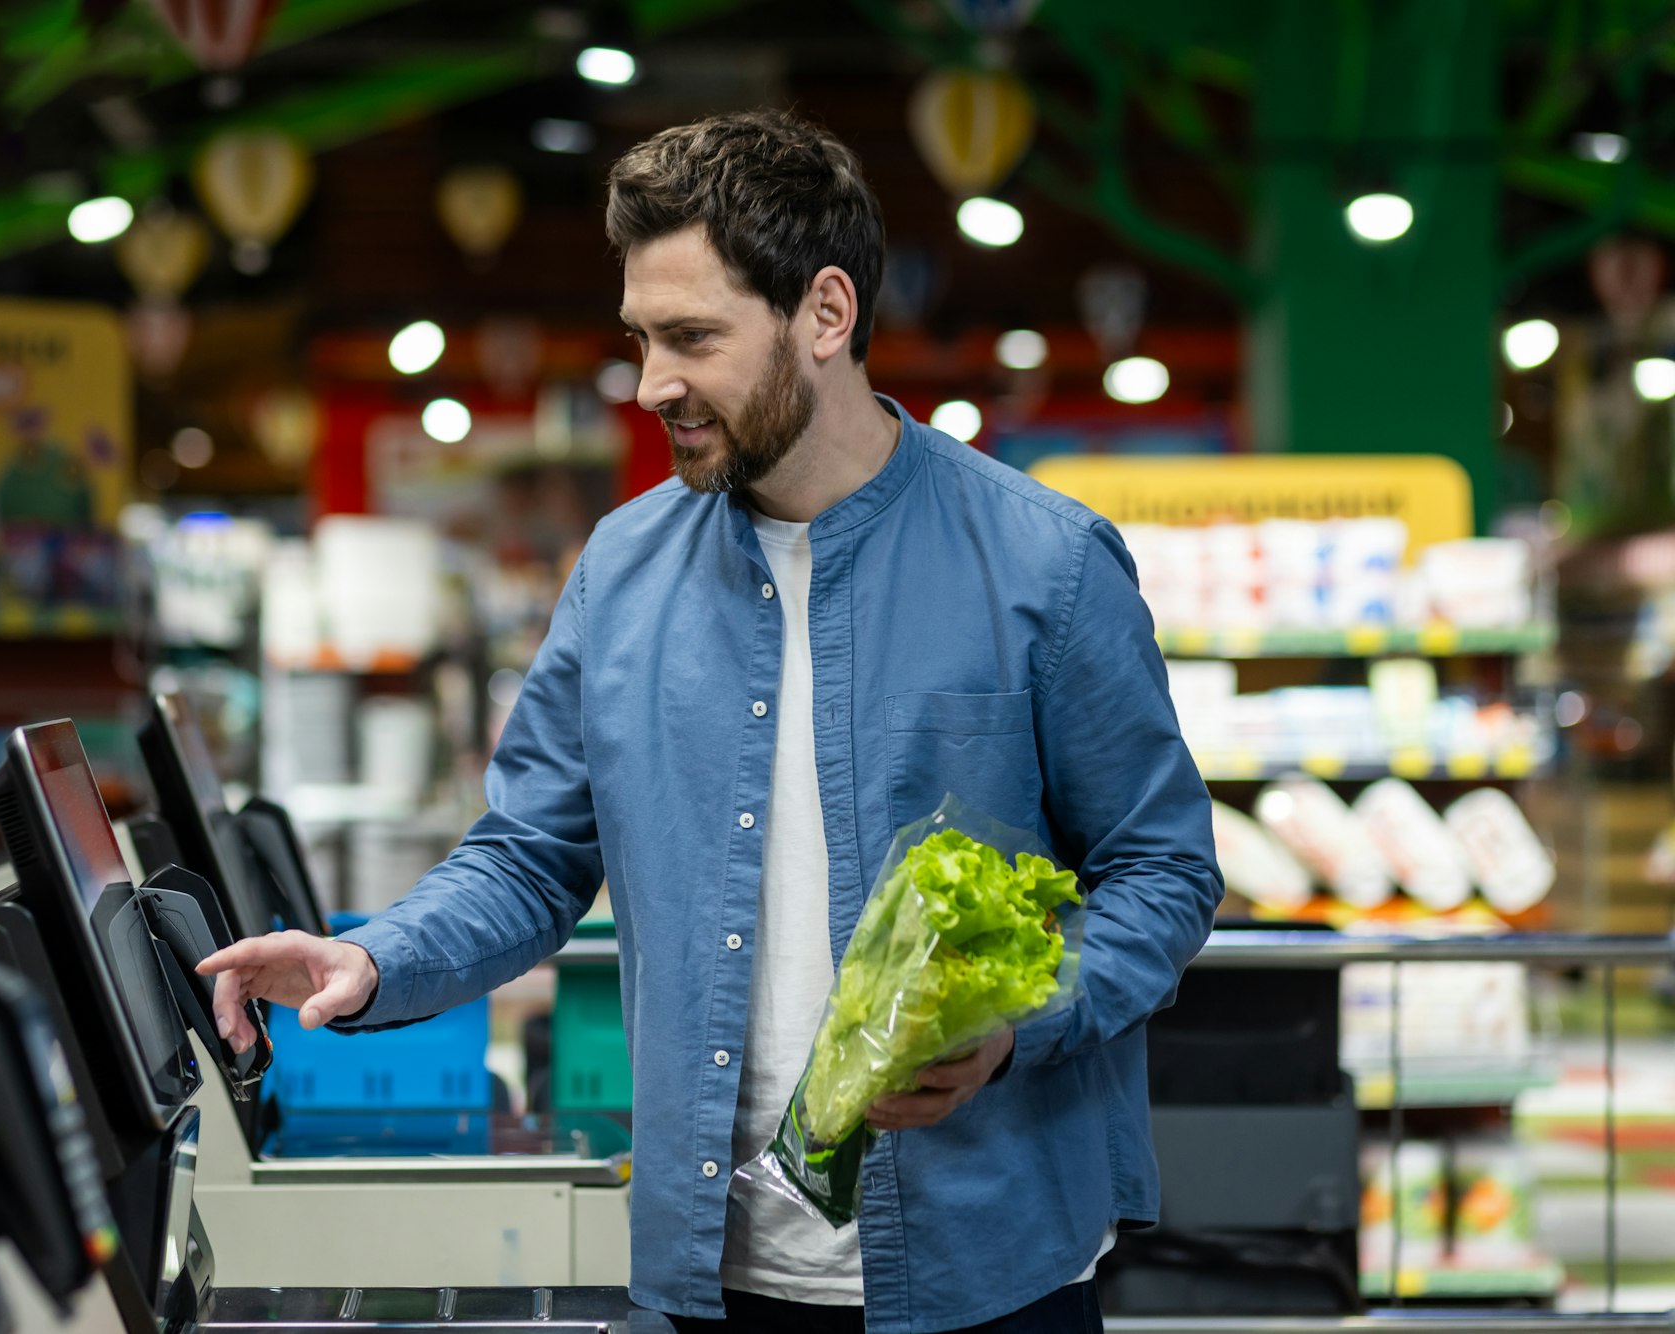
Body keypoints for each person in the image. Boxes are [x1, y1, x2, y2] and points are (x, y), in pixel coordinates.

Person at [197, 108, 1222, 1334]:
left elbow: (1160, 868)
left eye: (691, 338)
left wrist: (1022, 1022)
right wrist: (376, 957)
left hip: (985, 1264)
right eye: (639, 338)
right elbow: (530, 854)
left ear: (825, 315)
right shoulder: (621, 568)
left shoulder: (1044, 563)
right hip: (709, 1272)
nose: (650, 385)